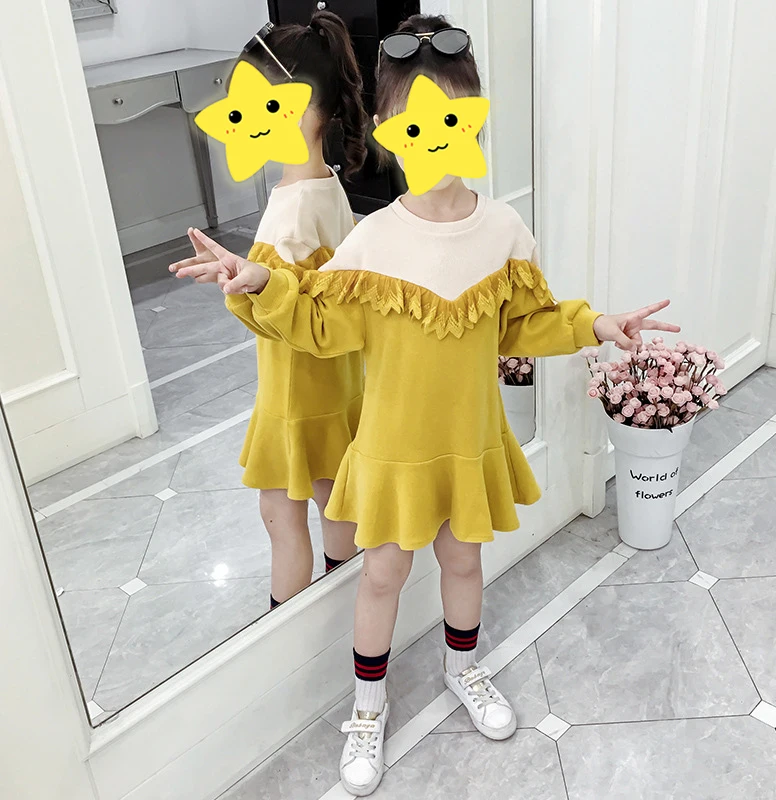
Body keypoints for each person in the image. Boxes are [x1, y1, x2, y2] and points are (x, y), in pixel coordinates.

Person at [185, 14, 680, 796]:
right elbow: (320, 326)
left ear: (474, 121)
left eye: (451, 119)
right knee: (382, 576)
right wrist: (260, 282)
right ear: (389, 130)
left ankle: (463, 668)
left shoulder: (504, 230)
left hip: (468, 441)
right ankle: (367, 708)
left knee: (463, 561)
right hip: (393, 449)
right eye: (415, 123)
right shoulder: (373, 240)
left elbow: (524, 325)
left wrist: (596, 324)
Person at [169, 11, 368, 608]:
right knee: (334, 499)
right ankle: (346, 602)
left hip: (294, 391)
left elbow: (283, 315)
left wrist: (239, 284)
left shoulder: (288, 212)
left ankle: (291, 632)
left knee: (281, 515)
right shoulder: (327, 187)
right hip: (334, 382)